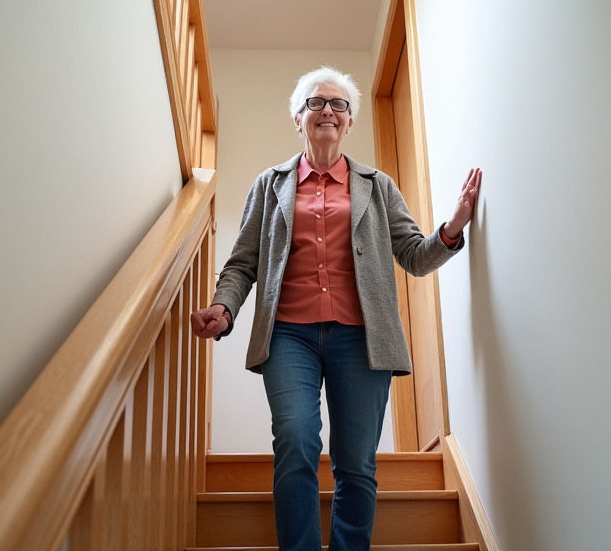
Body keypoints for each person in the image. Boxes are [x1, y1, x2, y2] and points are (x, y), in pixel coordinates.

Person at [190, 66, 482, 551]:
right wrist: (224, 307)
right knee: (296, 441)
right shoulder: (270, 184)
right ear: (298, 118)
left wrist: (452, 228)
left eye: (338, 104)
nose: (327, 110)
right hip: (288, 337)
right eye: (316, 103)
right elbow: (243, 262)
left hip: (362, 339)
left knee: (356, 462)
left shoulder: (377, 185)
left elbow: (412, 254)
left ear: (349, 123)